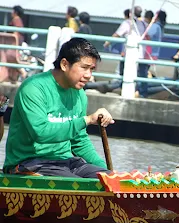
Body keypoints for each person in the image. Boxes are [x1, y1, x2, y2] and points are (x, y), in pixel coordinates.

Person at [3, 38, 115, 178]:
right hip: (29, 163)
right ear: (64, 64)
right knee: (79, 186)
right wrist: (86, 120)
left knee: (106, 179)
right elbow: (41, 133)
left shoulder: (79, 93)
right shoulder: (33, 88)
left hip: (66, 162)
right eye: (84, 68)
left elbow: (79, 140)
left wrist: (108, 173)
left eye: (91, 69)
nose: (88, 75)